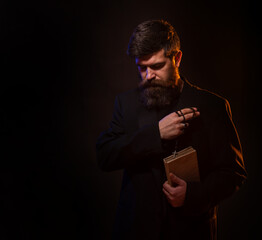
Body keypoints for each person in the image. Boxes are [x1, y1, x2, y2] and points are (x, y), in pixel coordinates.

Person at [96, 19, 247, 240]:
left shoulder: (213, 107)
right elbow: (105, 155)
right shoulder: (125, 104)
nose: (149, 76)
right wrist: (155, 134)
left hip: (191, 231)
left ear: (176, 58)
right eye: (142, 68)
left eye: (157, 66)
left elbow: (234, 174)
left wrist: (194, 195)